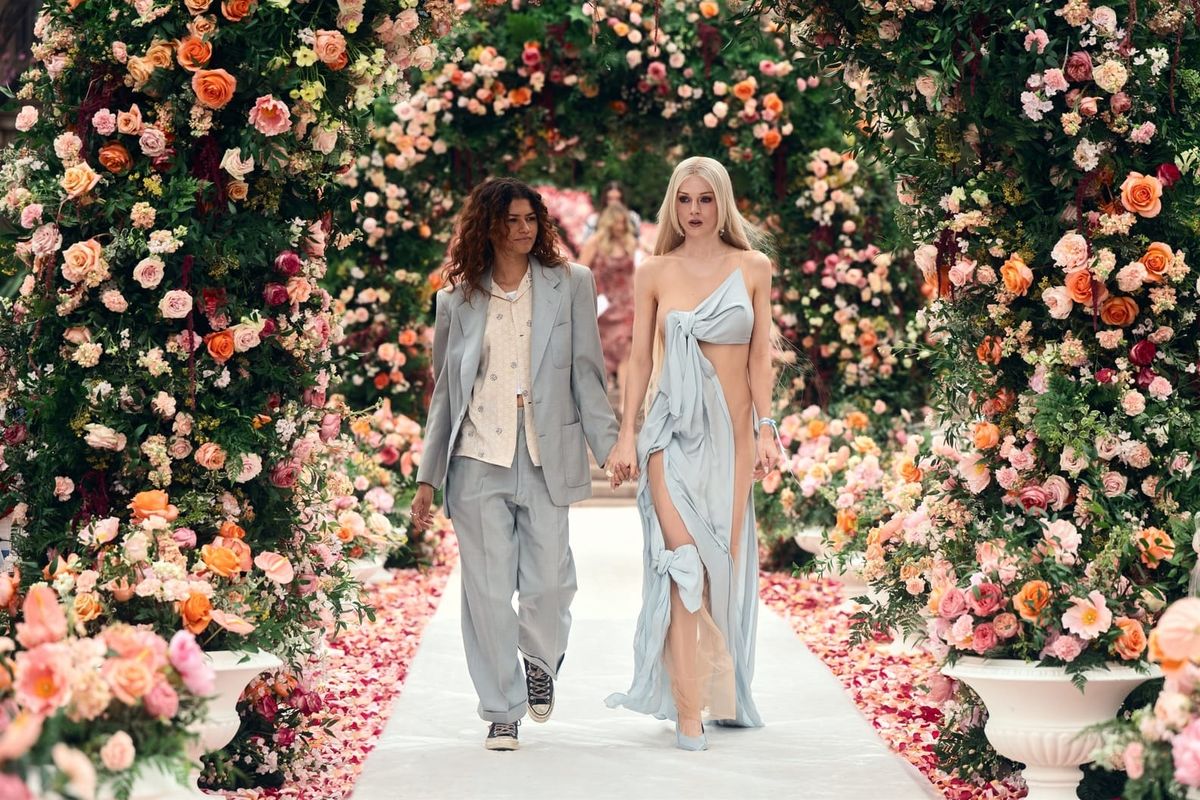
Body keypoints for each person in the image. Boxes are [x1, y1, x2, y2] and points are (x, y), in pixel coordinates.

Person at [409, 178, 619, 752]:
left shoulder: (571, 284)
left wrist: (610, 447)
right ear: (489, 227)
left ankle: (540, 659)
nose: (525, 229)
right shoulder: (456, 299)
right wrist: (428, 478)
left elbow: (586, 373)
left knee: (550, 584)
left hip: (546, 454)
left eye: (532, 219)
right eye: (512, 221)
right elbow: (446, 394)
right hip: (477, 459)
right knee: (486, 591)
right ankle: (502, 709)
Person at [604, 156, 779, 750]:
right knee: (683, 568)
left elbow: (760, 358)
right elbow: (639, 358)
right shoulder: (653, 270)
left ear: (722, 203)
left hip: (730, 444)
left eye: (706, 199)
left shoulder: (753, 267)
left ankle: (718, 689)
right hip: (670, 438)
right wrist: (627, 433)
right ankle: (686, 712)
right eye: (685, 200)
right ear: (672, 207)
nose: (696, 210)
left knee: (718, 572)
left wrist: (767, 428)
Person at [579, 203, 637, 404]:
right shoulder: (595, 243)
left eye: (623, 223)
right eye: (617, 223)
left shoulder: (630, 243)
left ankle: (624, 402)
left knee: (626, 349)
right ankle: (597, 401)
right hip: (603, 305)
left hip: (626, 303)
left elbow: (635, 271)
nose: (620, 227)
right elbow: (581, 270)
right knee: (602, 352)